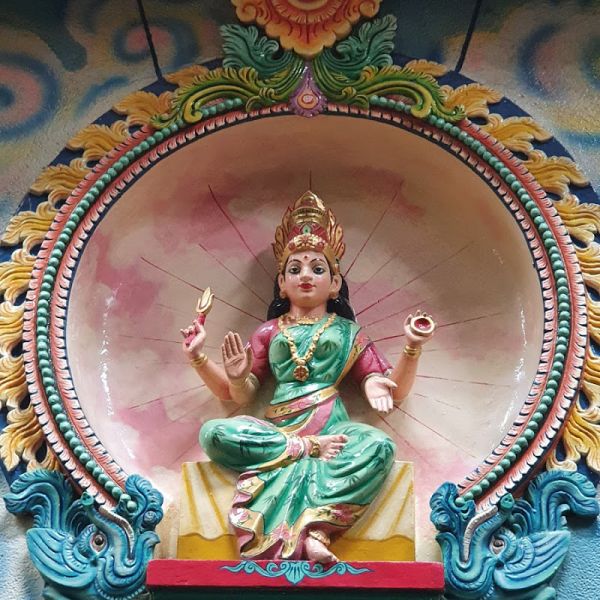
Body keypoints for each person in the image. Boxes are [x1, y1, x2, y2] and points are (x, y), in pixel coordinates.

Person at [181, 191, 434, 562]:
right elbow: (238, 396)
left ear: (335, 284)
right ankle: (304, 449)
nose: (305, 276)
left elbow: (390, 391)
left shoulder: (348, 332)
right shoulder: (268, 332)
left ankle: (316, 530)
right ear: (281, 284)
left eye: (317, 269)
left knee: (378, 446)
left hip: (335, 430)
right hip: (280, 432)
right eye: (294, 269)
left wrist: (409, 350)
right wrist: (207, 362)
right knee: (214, 433)